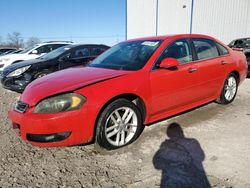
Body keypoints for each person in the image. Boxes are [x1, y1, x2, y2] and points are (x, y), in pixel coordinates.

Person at [153, 123, 211, 188]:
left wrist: (170, 166)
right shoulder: (192, 142)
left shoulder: (164, 147)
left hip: (171, 182)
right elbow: (201, 157)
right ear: (181, 131)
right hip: (193, 180)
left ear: (168, 134)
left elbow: (157, 165)